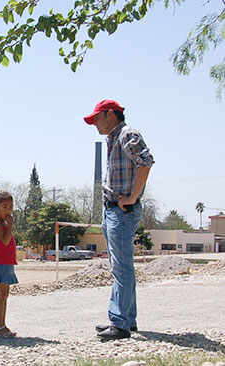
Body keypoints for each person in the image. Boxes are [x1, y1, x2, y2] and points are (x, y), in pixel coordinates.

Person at [84, 100, 154, 340]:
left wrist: (133, 196)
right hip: (112, 210)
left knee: (122, 268)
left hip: (122, 211)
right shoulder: (114, 138)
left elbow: (145, 161)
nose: (94, 123)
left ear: (111, 114)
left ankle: (120, 323)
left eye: (97, 118)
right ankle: (126, 318)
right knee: (120, 267)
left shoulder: (127, 134)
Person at [0, 190, 18, 338]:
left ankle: (2, 324)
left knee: (5, 294)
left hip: (7, 261)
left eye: (11, 207)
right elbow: (5, 241)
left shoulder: (3, 221)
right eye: (5, 207)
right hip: (1, 262)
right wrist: (11, 225)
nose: (8, 210)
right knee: (1, 294)